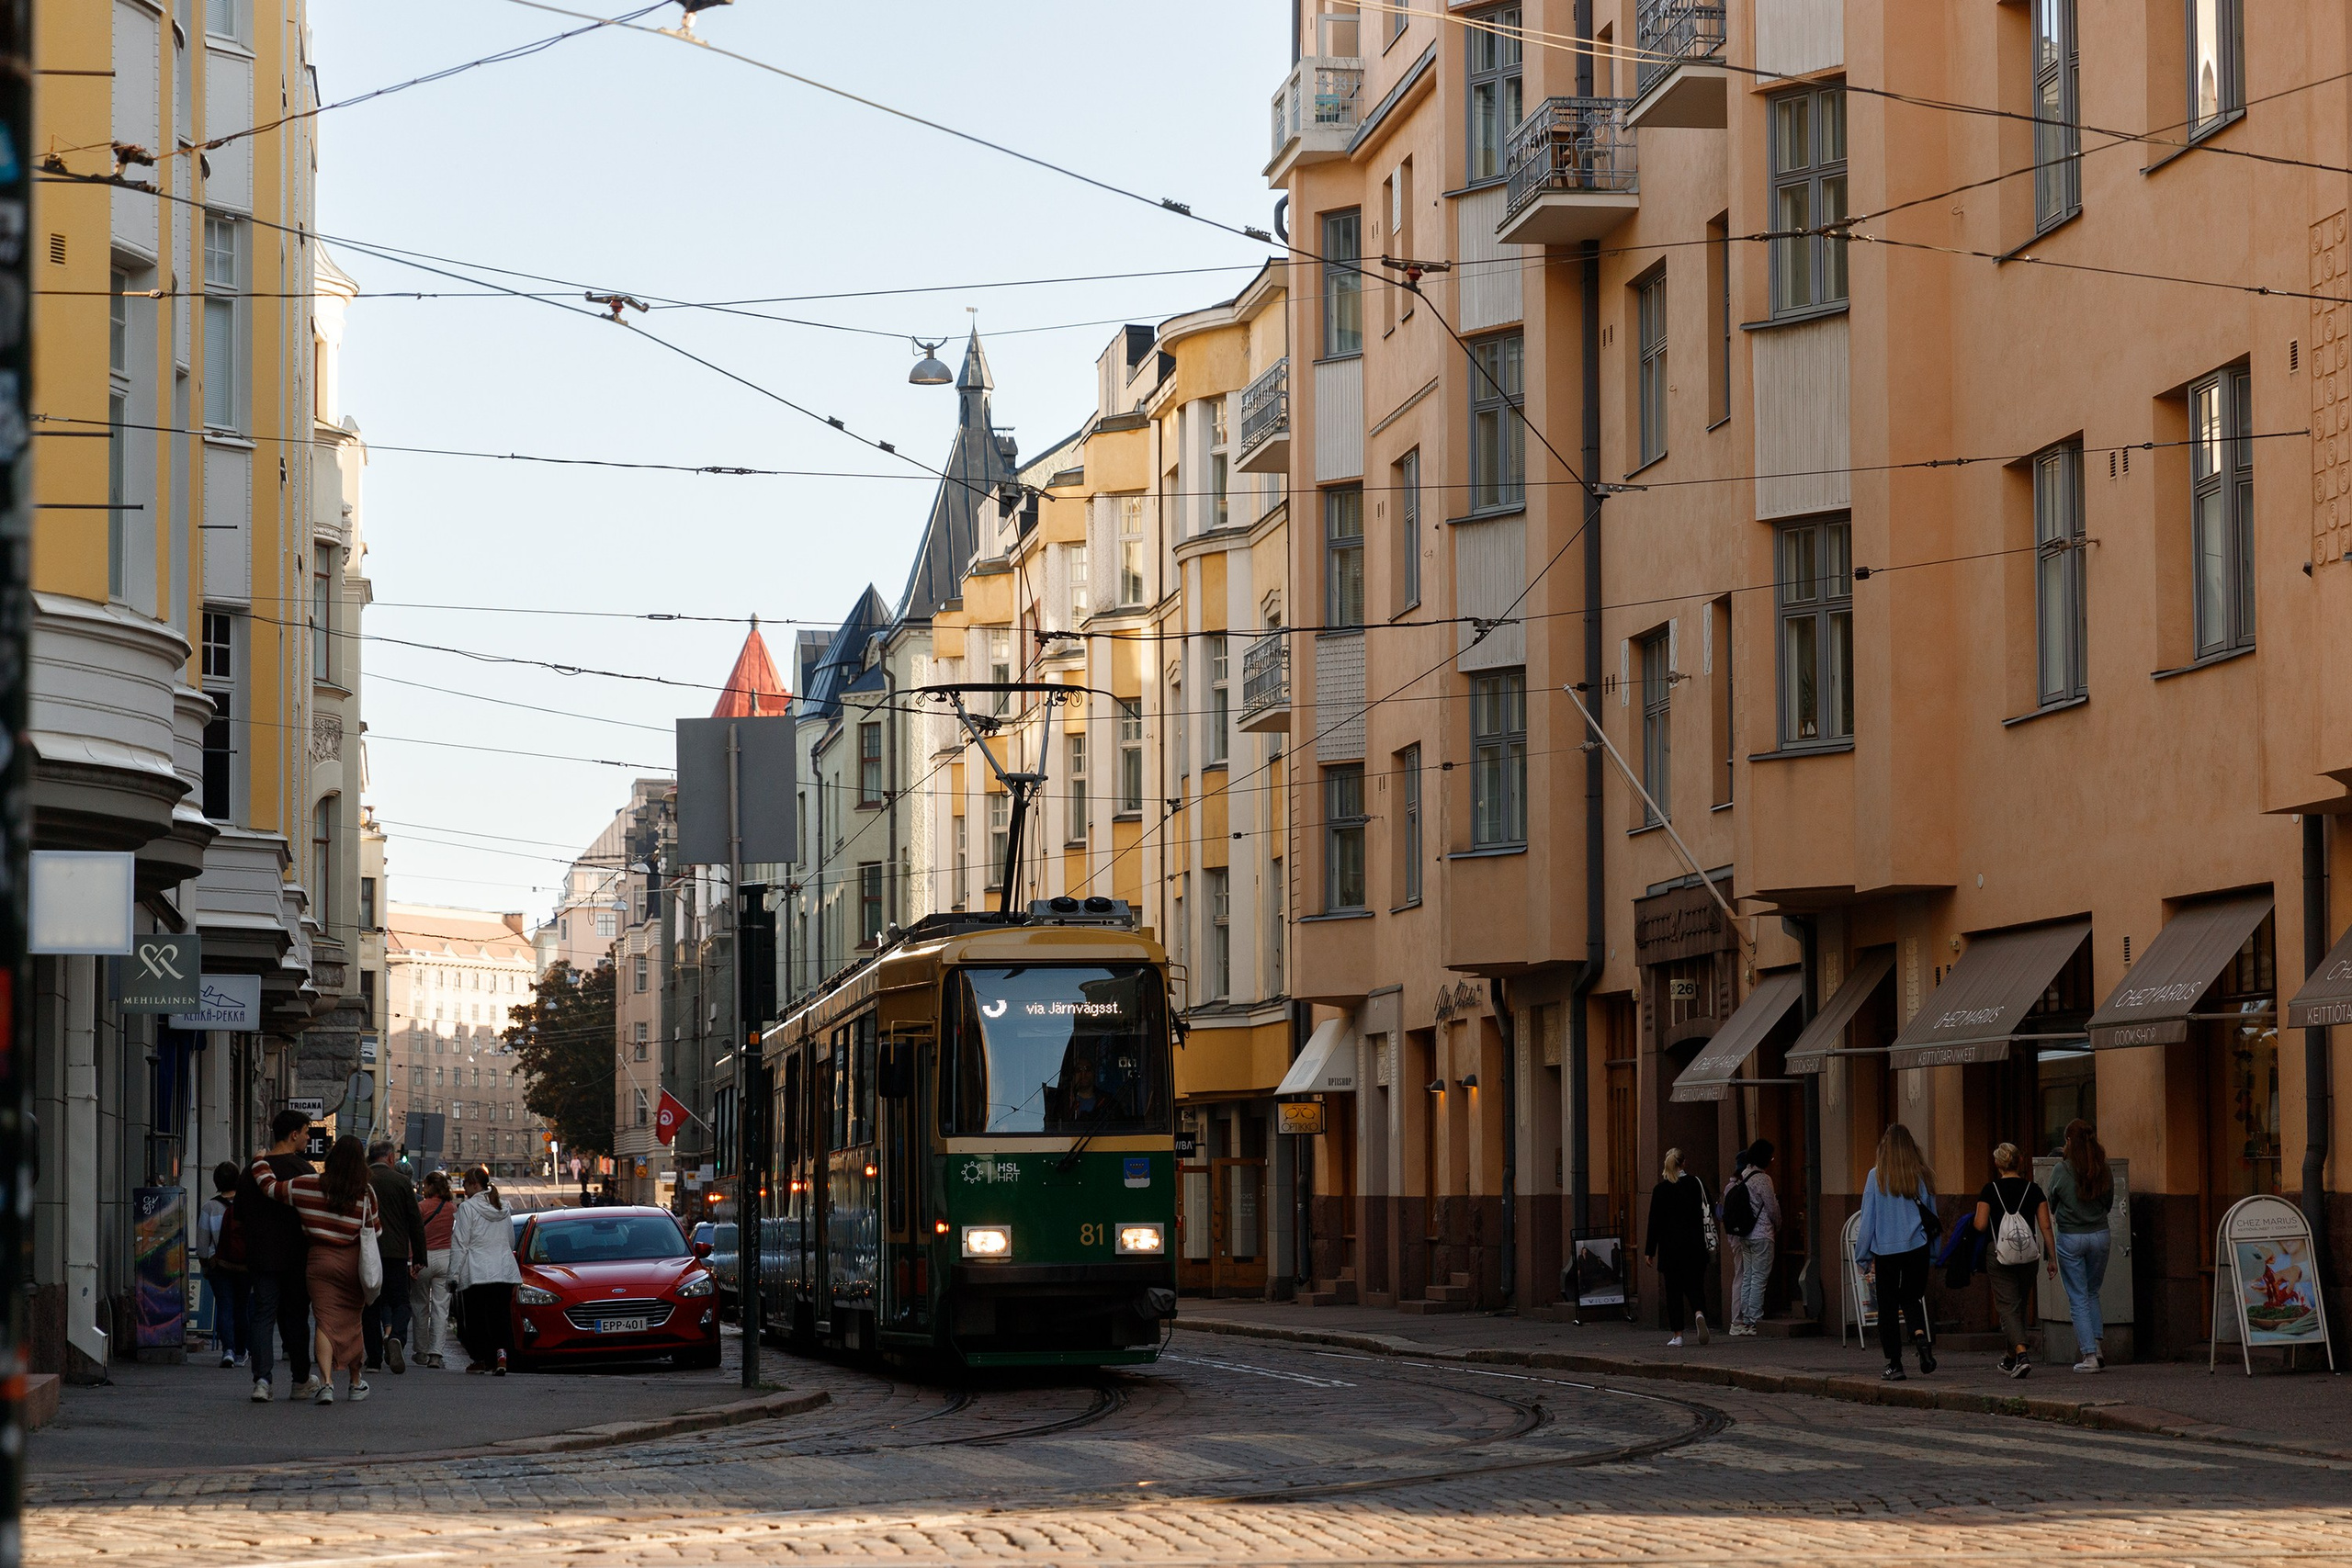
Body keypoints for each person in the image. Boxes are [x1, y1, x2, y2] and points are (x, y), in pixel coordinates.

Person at [252, 1134, 381, 1405]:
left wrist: (259, 1161)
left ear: (332, 1157)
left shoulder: (307, 1185)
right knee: (352, 1322)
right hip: (351, 1262)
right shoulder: (366, 1193)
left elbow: (270, 1188)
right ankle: (356, 1383)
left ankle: (326, 1384)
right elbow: (375, 1231)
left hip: (318, 1261)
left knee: (324, 1321)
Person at [236, 1110, 318, 1403]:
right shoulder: (304, 1171)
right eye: (307, 1132)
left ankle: (261, 1380)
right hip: (297, 1256)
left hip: (261, 1255)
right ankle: (300, 1381)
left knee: (262, 1316)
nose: (309, 1138)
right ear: (294, 1134)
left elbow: (239, 1215)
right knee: (296, 1318)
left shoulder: (252, 1170)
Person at [1854, 1123, 1939, 1382]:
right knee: (1912, 1298)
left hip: (1887, 1250)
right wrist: (1934, 1252)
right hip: (1918, 1247)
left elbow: (1868, 1218)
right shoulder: (1922, 1175)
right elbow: (1932, 1218)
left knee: (1888, 1308)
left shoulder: (1876, 1176)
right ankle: (1920, 1336)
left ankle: (1895, 1363)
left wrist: (1863, 1255)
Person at [1972, 1142, 2058, 1378]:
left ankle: (2021, 1355)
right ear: (2020, 1162)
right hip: (2028, 1255)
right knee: (2018, 1303)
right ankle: (2010, 1358)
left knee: (2007, 1306)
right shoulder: (2034, 1190)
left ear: (1997, 1164)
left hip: (1999, 1254)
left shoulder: (1990, 1190)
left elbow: (1980, 1225)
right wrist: (2052, 1257)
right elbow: (2045, 1226)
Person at [2045, 1117, 2116, 1371]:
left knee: (2078, 1297)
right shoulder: (2103, 1168)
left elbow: (2052, 1201)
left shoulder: (2061, 1170)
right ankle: (2097, 1346)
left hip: (2071, 1237)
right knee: (2092, 1292)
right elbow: (2109, 1202)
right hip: (2100, 1235)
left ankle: (2089, 1357)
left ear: (2068, 1142)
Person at [362, 1140, 427, 1375]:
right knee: (401, 1302)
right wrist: (419, 1256)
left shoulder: (362, 1180)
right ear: (390, 1158)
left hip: (367, 1253)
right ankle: (396, 1336)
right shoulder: (401, 1182)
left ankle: (373, 1361)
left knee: (370, 1305)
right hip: (396, 1253)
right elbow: (415, 1222)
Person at [451, 1165, 520, 1375]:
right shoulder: (503, 1206)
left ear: (474, 1184)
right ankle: (502, 1357)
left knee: (477, 1319)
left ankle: (481, 1360)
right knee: (500, 1316)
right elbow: (510, 1240)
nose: (463, 1188)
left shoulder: (467, 1208)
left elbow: (460, 1243)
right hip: (504, 1271)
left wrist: (453, 1274)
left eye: (465, 1184)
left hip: (478, 1271)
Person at [1643, 1147, 1712, 1348]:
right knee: (1696, 1286)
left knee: (1673, 1292)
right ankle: (1699, 1313)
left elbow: (1653, 1222)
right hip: (1695, 1247)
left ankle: (1678, 1335)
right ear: (1684, 1163)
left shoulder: (1660, 1190)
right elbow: (1708, 1210)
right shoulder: (1696, 1184)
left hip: (1670, 1250)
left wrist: (1650, 1251)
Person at [194, 1161, 250, 1370]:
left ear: (217, 1181)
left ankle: (227, 1350)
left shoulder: (209, 1207)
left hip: (220, 1266)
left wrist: (206, 1263)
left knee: (225, 1307)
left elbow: (201, 1244)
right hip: (245, 1267)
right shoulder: (248, 1205)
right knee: (242, 1308)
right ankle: (241, 1352)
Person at [1724, 1140, 1781, 1337]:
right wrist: (1778, 1224)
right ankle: (1754, 1319)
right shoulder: (1763, 1179)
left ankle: (1745, 1318)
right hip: (1762, 1234)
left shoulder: (1744, 1176)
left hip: (1745, 1235)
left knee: (1748, 1276)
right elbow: (1772, 1208)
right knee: (1759, 1277)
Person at [412, 1169, 458, 1368]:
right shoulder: (452, 1209)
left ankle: (421, 1351)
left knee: (420, 1306)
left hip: (423, 1259)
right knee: (441, 1308)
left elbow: (412, 1235)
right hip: (446, 1258)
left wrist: (411, 1260)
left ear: (430, 1186)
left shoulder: (420, 1207)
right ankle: (436, 1354)